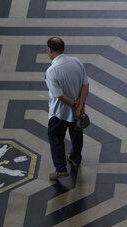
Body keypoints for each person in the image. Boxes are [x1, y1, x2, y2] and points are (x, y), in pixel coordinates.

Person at [45, 37, 89, 181]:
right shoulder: (76, 61)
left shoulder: (52, 71)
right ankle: (76, 158)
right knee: (77, 134)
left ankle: (61, 169)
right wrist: (80, 105)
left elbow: (59, 95)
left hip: (59, 113)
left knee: (56, 138)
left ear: (50, 51)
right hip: (78, 112)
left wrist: (73, 104)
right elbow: (85, 85)